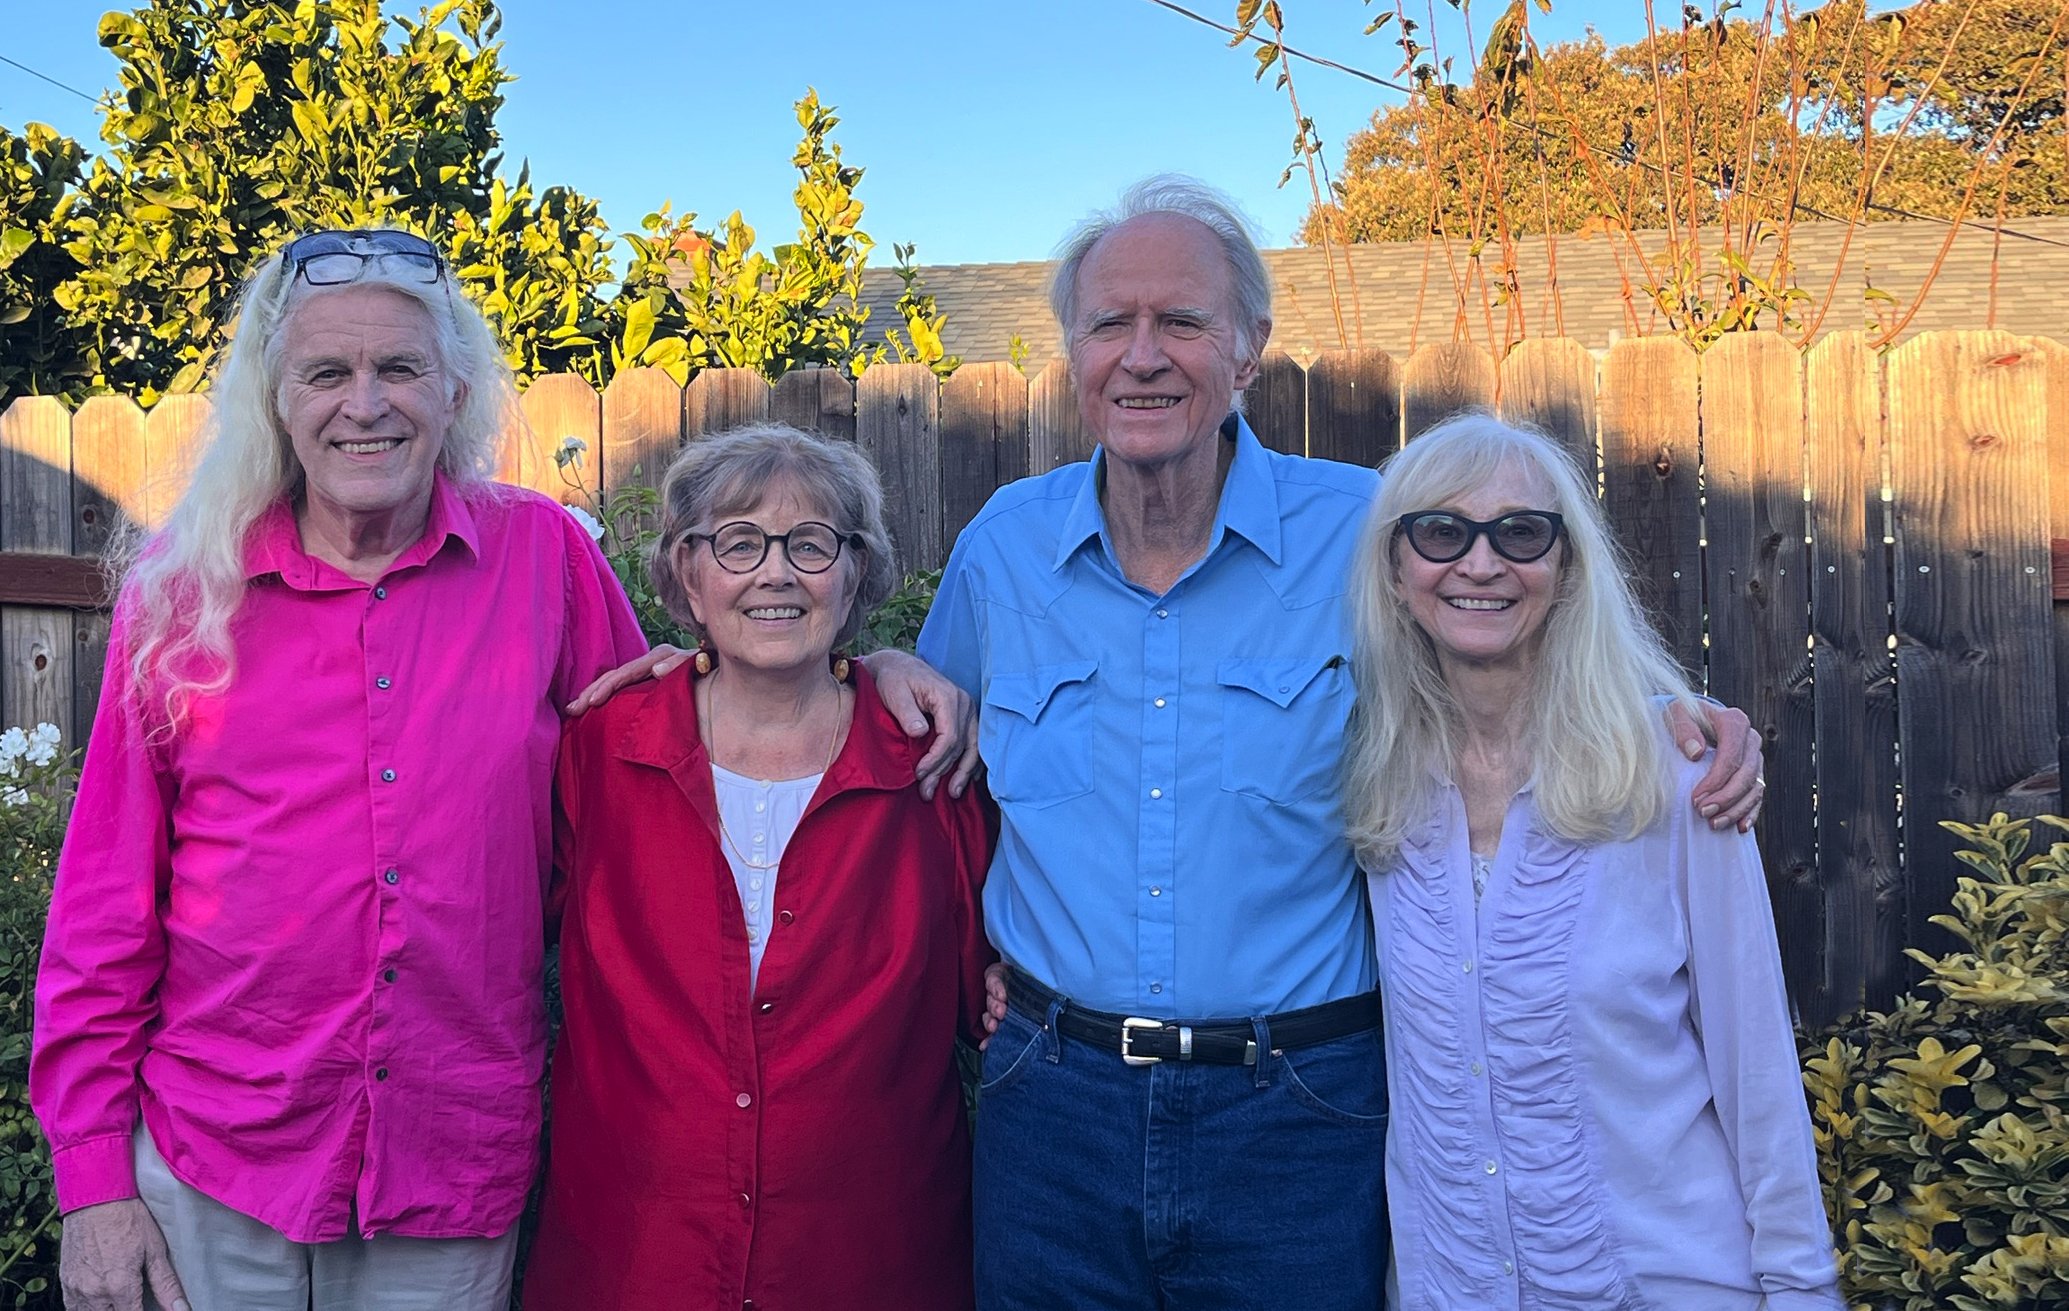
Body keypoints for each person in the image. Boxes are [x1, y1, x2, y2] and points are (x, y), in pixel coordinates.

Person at [30, 230, 968, 1311]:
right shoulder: (183, 592)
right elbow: (101, 910)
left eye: (400, 368)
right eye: (327, 373)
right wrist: (93, 1184)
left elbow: (680, 740)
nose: (365, 404)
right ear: (276, 403)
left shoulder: (545, 559)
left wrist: (866, 668)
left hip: (449, 1158)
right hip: (214, 1160)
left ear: (455, 393)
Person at [925, 175, 1766, 1311]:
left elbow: (1516, 639)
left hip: (1299, 1110)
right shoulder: (1002, 550)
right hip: (1051, 1102)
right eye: (1109, 323)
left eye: (1182, 321)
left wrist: (1671, 716)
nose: (1142, 356)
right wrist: (864, 669)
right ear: (1072, 352)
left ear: (1248, 348)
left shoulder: (1361, 530)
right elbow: (922, 756)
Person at [1344, 413, 1842, 1309]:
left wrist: (1801, 1289)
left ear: (1567, 567)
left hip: (1669, 1285)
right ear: (1393, 569)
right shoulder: (1374, 785)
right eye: (1441, 532)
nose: (1481, 563)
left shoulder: (1676, 773)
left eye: (1520, 532)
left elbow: (1756, 1069)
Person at [521, 424, 994, 1311]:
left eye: (810, 544)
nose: (774, 572)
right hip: (635, 1257)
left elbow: (995, 1002)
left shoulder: (928, 766)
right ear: (686, 576)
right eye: (737, 543)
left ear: (854, 572)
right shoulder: (602, 749)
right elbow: (497, 942)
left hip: (869, 1264)